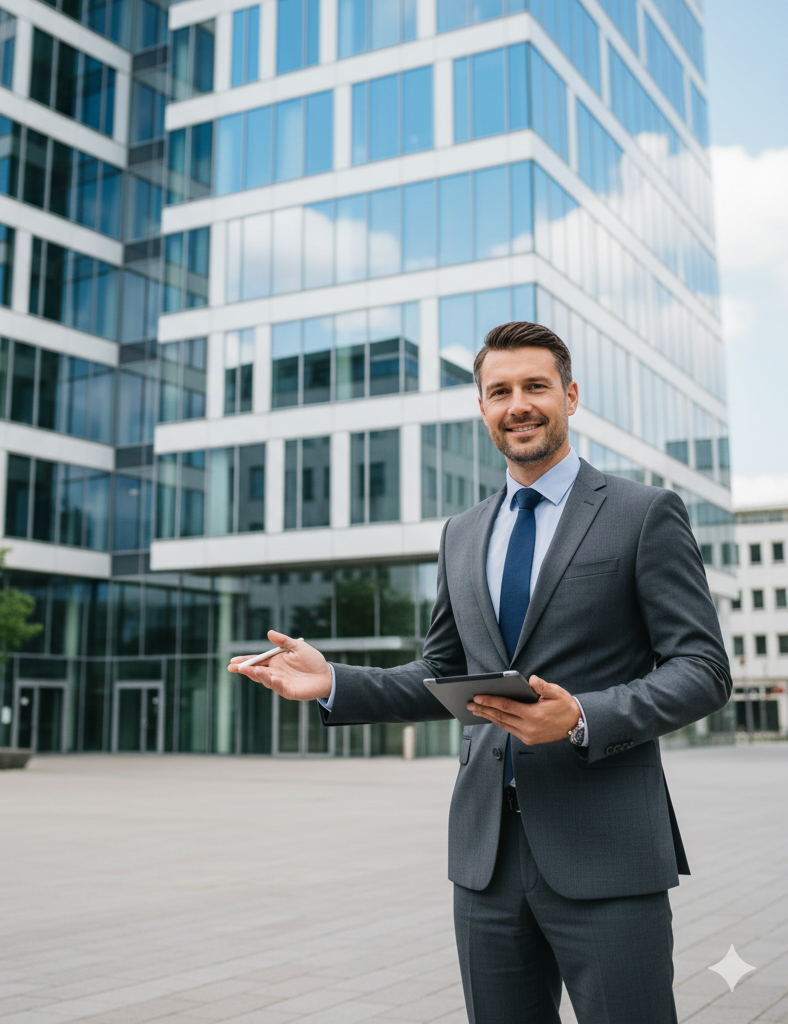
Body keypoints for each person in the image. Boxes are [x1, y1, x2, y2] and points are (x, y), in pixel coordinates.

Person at [229, 321, 731, 1024]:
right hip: (485, 859)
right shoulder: (462, 532)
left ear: (571, 395)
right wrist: (333, 680)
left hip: (607, 851)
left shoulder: (641, 514)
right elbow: (442, 671)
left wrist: (583, 716)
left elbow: (704, 668)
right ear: (483, 408)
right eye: (499, 391)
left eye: (535, 386)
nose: (517, 404)